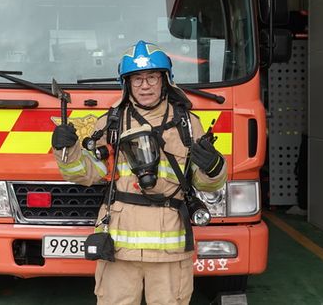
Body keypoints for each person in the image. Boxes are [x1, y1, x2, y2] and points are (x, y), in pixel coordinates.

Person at [51, 40, 227, 305]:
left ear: (165, 80)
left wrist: (213, 168)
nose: (145, 85)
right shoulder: (110, 123)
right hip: (119, 248)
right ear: (127, 84)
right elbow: (87, 174)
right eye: (137, 79)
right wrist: (66, 150)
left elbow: (206, 184)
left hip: (170, 250)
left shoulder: (188, 124)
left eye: (152, 77)